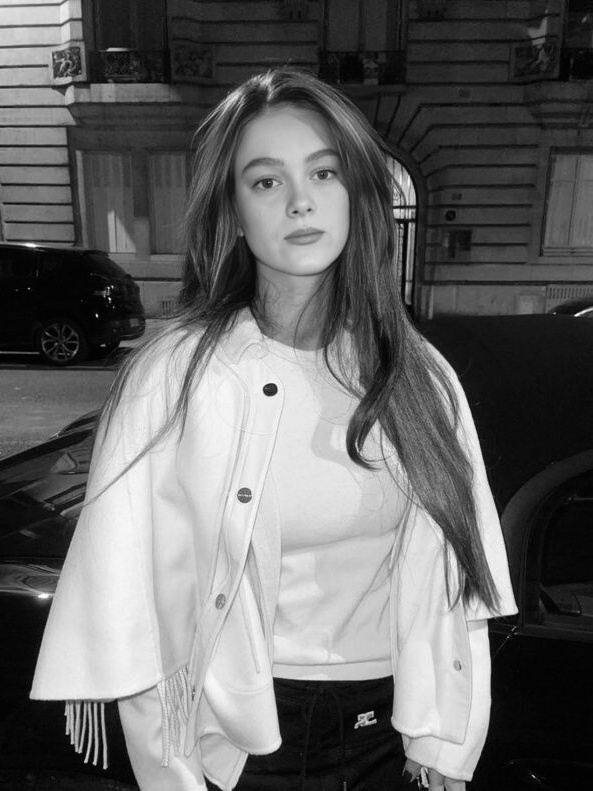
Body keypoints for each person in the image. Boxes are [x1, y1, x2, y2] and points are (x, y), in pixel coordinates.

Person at [31, 68, 517, 791]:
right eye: (265, 181)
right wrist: (171, 775)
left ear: (356, 193)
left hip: (390, 735)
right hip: (239, 744)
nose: (299, 201)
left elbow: (456, 580)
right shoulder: (175, 377)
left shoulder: (419, 376)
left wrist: (445, 739)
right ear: (232, 211)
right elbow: (133, 597)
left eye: (323, 172)